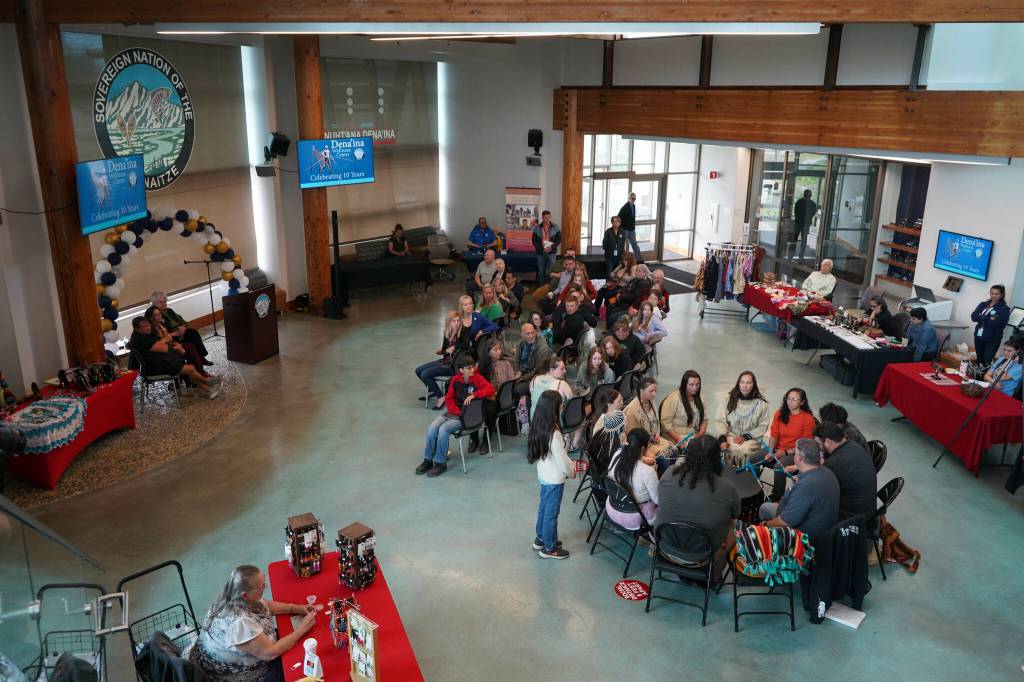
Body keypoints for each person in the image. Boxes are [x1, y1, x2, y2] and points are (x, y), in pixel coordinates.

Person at [187, 565, 317, 682]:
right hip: (229, 676)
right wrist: (302, 629)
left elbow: (265, 604)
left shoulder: (233, 593)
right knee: (298, 665)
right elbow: (271, 653)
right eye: (261, 587)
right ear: (245, 595)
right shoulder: (239, 624)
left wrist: (295, 608)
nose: (264, 590)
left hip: (219, 660)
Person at [656, 434, 741, 576]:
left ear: (688, 455)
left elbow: (661, 500)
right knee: (735, 528)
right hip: (702, 556)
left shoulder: (669, 473)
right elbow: (735, 515)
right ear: (716, 458)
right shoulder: (727, 487)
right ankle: (712, 575)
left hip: (666, 547)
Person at [416, 355, 494, 478]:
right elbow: (449, 398)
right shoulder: (455, 380)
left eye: (472, 366)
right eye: (468, 368)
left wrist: (475, 394)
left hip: (466, 417)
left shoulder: (477, 378)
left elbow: (490, 389)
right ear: (461, 370)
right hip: (453, 413)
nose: (472, 370)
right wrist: (456, 411)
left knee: (443, 429)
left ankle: (441, 463)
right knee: (431, 428)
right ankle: (428, 460)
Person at [759, 438, 840, 540]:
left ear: (800, 458)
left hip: (803, 537)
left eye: (795, 453)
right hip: (822, 524)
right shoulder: (826, 472)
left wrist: (765, 525)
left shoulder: (806, 487)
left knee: (764, 508)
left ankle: (768, 539)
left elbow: (785, 522)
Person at [529, 390, 574, 559]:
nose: (562, 407)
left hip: (544, 474)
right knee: (552, 513)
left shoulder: (539, 423)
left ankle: (541, 538)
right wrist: (571, 471)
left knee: (544, 508)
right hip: (555, 478)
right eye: (560, 405)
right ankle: (549, 548)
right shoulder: (554, 432)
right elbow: (563, 460)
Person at [129, 317, 219, 398]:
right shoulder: (140, 339)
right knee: (190, 368)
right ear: (136, 328)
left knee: (188, 365)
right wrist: (166, 339)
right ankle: (208, 382)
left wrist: (171, 342)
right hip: (154, 368)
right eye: (144, 326)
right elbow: (164, 349)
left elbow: (163, 345)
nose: (148, 327)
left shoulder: (144, 334)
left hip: (158, 362)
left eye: (148, 324)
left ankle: (207, 389)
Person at [814, 422, 877, 521]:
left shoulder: (835, 463)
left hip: (851, 516)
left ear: (828, 442)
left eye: (818, 444)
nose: (817, 448)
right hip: (867, 508)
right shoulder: (853, 445)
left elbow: (818, 490)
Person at [766, 388, 818, 502]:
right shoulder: (780, 413)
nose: (790, 402)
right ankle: (753, 490)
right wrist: (770, 450)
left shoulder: (808, 419)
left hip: (795, 452)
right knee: (753, 459)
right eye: (788, 398)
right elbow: (774, 434)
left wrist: (786, 452)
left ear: (802, 402)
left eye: (794, 399)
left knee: (779, 467)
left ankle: (776, 497)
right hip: (777, 449)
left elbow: (805, 445)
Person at [712, 371, 770, 466]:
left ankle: (744, 475)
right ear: (738, 384)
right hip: (731, 436)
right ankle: (727, 475)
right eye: (742, 382)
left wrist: (746, 437)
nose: (745, 385)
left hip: (752, 439)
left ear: (753, 385)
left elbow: (763, 426)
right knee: (721, 447)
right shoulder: (728, 400)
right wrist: (722, 438)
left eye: (748, 383)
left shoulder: (762, 404)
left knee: (744, 449)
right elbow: (720, 421)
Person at [474, 338, 520, 452]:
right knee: (474, 408)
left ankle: (486, 439)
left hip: (499, 398)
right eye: (495, 349)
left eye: (500, 349)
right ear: (488, 351)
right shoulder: (482, 365)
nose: (499, 351)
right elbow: (478, 384)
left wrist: (498, 394)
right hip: (485, 395)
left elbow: (510, 382)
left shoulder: (506, 363)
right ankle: (474, 439)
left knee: (490, 410)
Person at [606, 428, 658, 525]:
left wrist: (641, 460)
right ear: (643, 449)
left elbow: (631, 464)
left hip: (612, 506)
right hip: (631, 516)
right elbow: (658, 499)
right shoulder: (648, 472)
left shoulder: (617, 453)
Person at [415, 311, 466, 406]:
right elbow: (444, 349)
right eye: (453, 321)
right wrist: (444, 351)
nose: (456, 323)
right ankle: (431, 389)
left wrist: (454, 347)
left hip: (453, 365)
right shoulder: (447, 333)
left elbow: (466, 344)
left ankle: (441, 397)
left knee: (425, 374)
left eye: (458, 321)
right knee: (418, 370)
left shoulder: (463, 332)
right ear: (449, 322)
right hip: (445, 361)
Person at [145, 305, 210, 377]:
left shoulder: (162, 323)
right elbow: (159, 344)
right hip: (164, 352)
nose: (160, 316)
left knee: (190, 342)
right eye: (156, 315)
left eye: (159, 313)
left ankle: (199, 372)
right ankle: (200, 373)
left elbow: (171, 337)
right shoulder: (150, 330)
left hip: (171, 344)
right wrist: (176, 343)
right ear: (151, 318)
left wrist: (178, 344)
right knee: (188, 347)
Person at [150, 291, 211, 365]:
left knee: (193, 332)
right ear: (154, 304)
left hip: (180, 332)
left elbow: (184, 322)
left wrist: (184, 327)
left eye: (165, 301)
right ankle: (197, 360)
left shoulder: (169, 311)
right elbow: (163, 333)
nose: (165, 303)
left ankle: (201, 357)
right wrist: (176, 333)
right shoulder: (156, 316)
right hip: (172, 336)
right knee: (191, 339)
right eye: (161, 302)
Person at [624, 377, 674, 458]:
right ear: (641, 391)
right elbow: (633, 437)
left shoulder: (652, 401)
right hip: (642, 445)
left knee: (673, 449)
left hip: (654, 439)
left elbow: (655, 423)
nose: (654, 394)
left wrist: (657, 434)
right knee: (664, 457)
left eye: (655, 391)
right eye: (651, 391)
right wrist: (649, 439)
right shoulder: (631, 410)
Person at [660, 369, 708, 445]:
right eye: (691, 385)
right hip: (676, 437)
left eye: (697, 384)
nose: (695, 388)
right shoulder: (674, 398)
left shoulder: (700, 397)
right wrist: (679, 440)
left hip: (695, 435)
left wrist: (699, 435)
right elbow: (665, 424)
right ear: (684, 384)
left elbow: (705, 420)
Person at [972, 284, 1011, 365]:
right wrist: (988, 317)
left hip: (992, 339)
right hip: (979, 336)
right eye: (992, 293)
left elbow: (996, 323)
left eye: (996, 294)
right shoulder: (983, 304)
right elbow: (973, 317)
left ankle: (984, 377)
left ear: (1001, 295)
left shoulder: (1003, 308)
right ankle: (977, 376)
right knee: (979, 360)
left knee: (987, 361)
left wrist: (981, 317)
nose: (993, 296)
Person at [532, 210, 561, 283]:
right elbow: (534, 241)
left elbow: (559, 239)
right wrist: (542, 249)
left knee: (551, 271)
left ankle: (550, 287)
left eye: (549, 217)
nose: (548, 219)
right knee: (541, 271)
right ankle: (541, 287)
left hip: (552, 252)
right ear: (542, 217)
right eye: (545, 217)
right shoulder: (537, 228)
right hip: (540, 253)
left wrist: (552, 247)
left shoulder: (555, 226)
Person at [617, 192, 642, 261]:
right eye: (633, 198)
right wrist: (619, 229)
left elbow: (632, 218)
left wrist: (633, 227)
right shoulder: (625, 207)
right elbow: (618, 218)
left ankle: (640, 261)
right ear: (629, 198)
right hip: (624, 230)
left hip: (631, 230)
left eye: (635, 199)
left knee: (635, 245)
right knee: (621, 246)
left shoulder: (633, 206)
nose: (634, 200)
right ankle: (620, 261)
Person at [793, 189, 817, 260]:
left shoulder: (799, 202)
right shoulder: (812, 203)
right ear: (810, 195)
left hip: (798, 223)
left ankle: (791, 256)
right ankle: (801, 256)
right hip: (805, 225)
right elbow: (813, 213)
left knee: (794, 239)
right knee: (803, 241)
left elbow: (796, 212)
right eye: (810, 194)